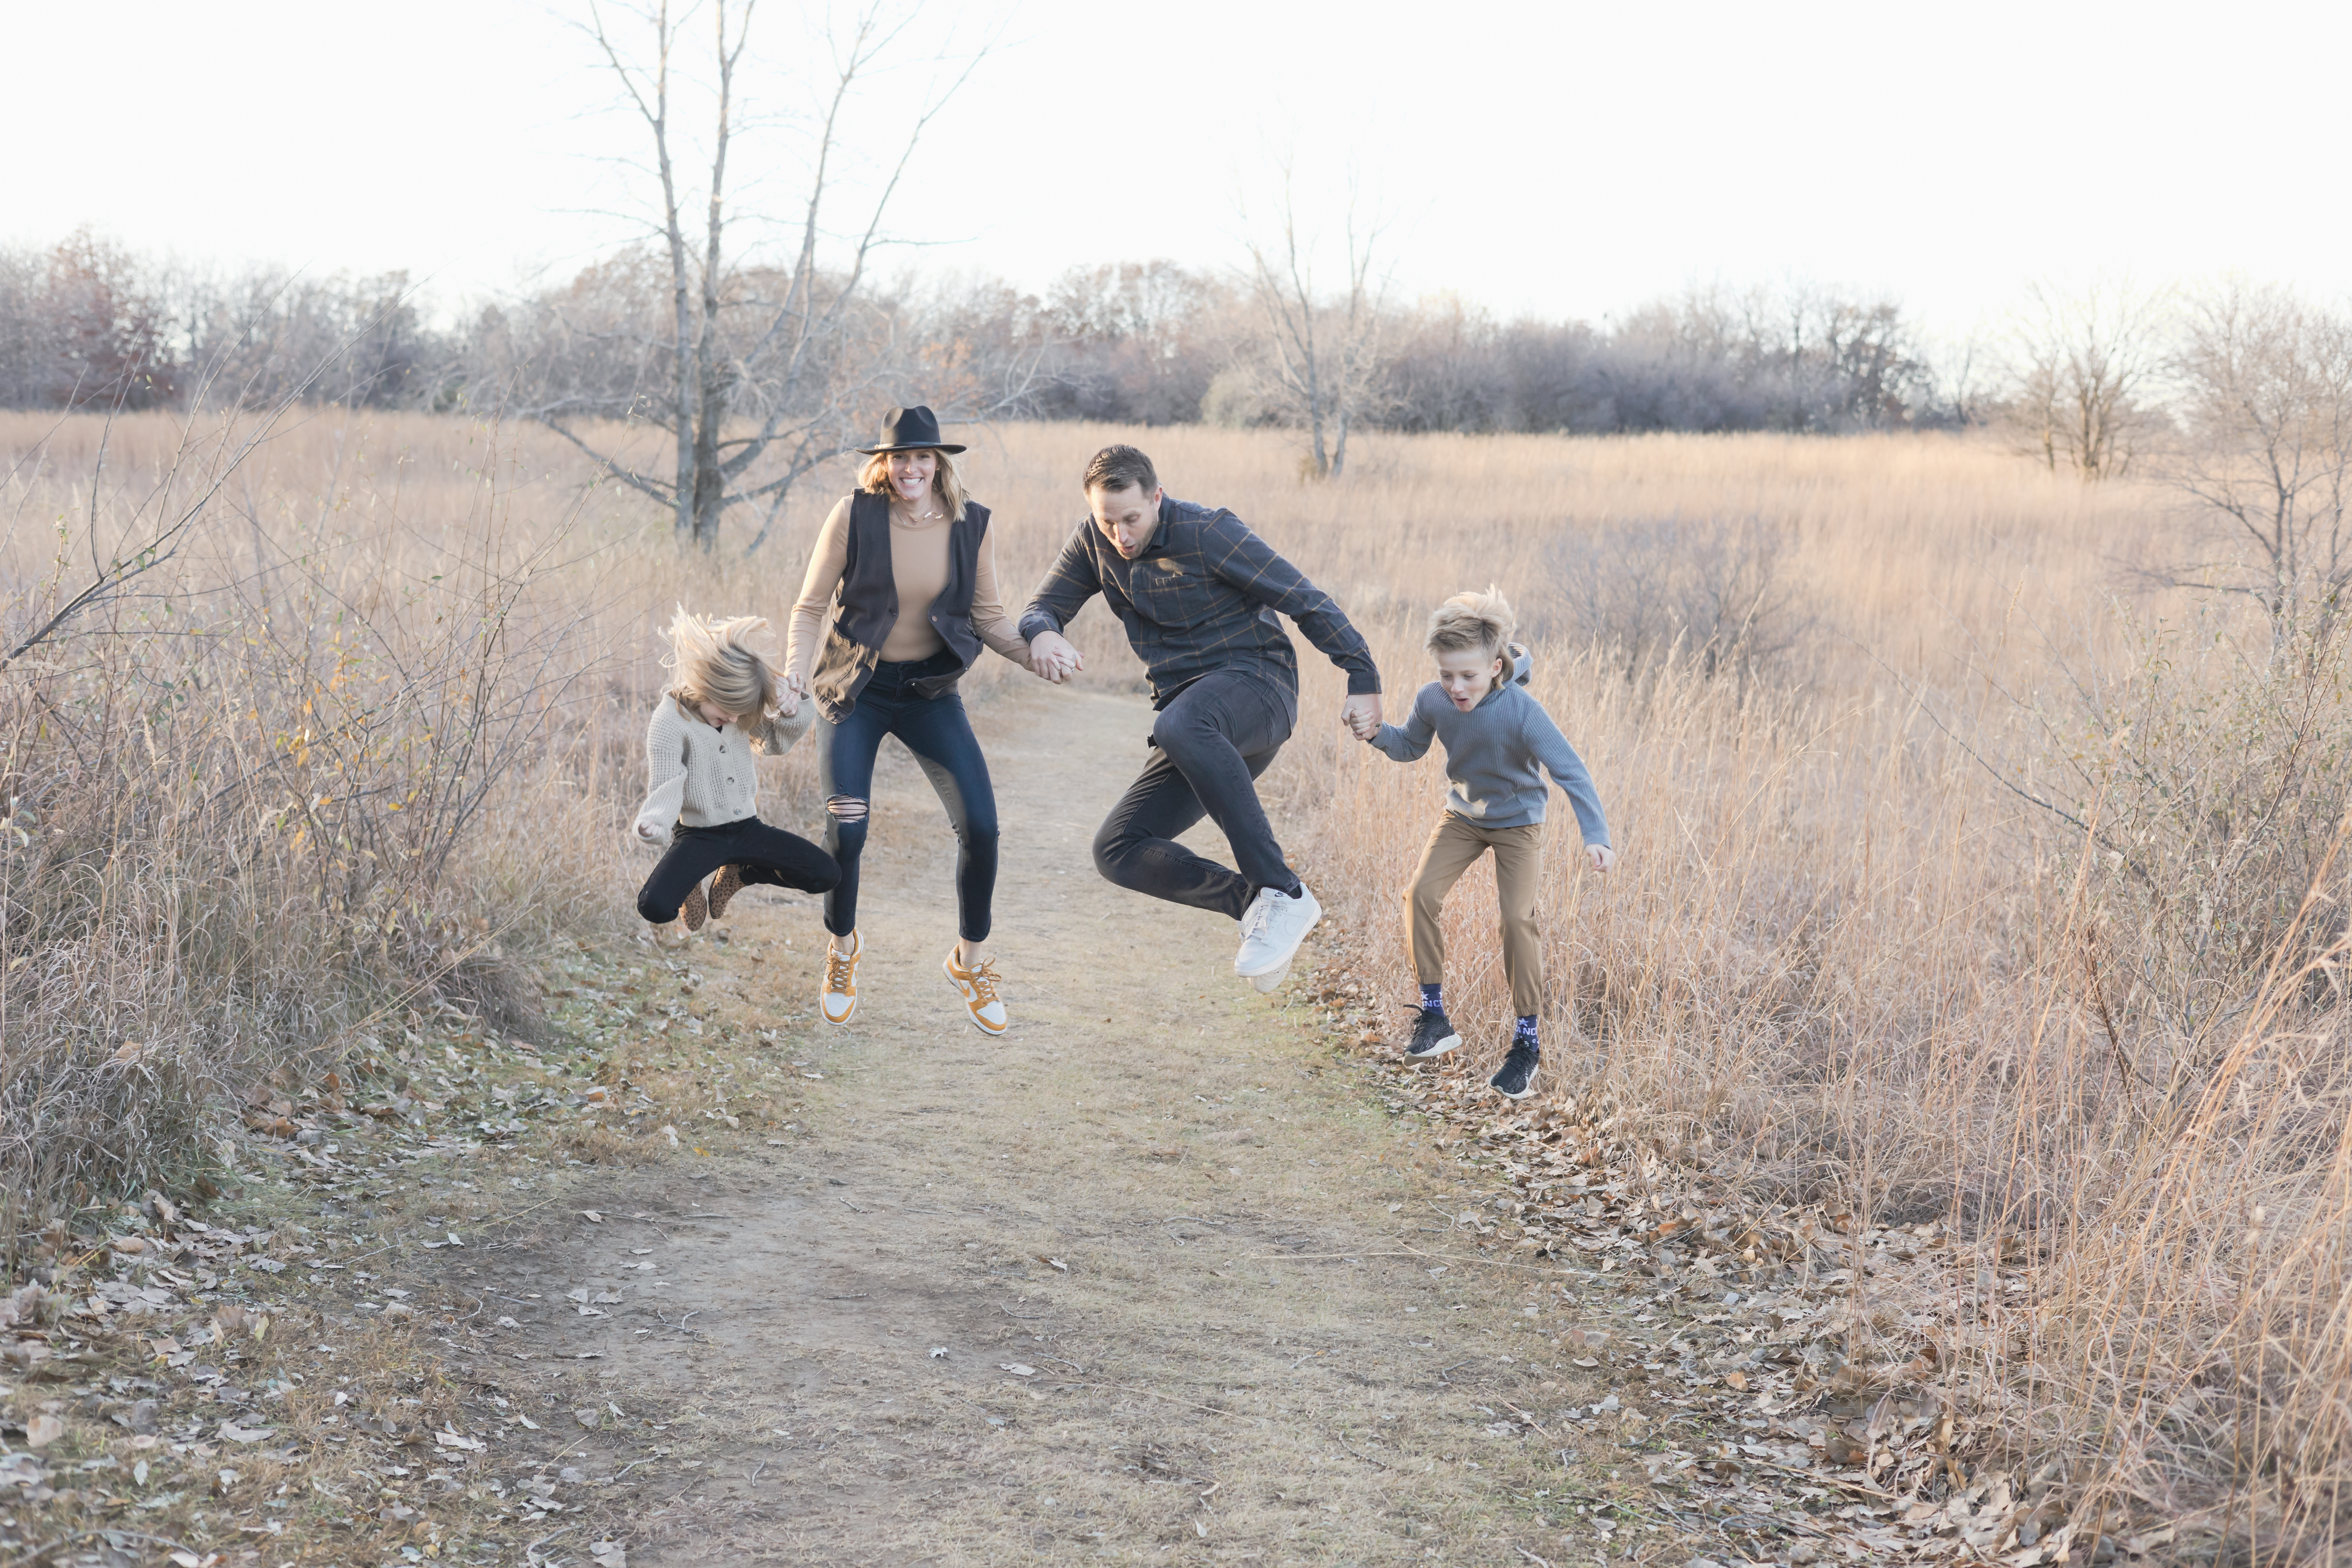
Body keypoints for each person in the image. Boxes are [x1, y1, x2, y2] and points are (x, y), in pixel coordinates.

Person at [1020, 443, 1382, 992]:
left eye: (1131, 519)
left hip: (1260, 687)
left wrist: (1363, 677)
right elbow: (1040, 607)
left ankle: (1282, 889)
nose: (1120, 535)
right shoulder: (1093, 540)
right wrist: (1044, 632)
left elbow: (1304, 599)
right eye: (1107, 521)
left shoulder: (1208, 531)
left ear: (1157, 498)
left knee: (1180, 724)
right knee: (1117, 849)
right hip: (1193, 723)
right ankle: (1259, 907)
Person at [783, 405, 1030, 1035]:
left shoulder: (972, 524)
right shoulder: (854, 516)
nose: (911, 468)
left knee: (982, 826)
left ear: (938, 462)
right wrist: (792, 674)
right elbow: (809, 608)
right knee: (848, 829)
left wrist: (1038, 655)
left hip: (928, 693)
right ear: (884, 463)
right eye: (899, 458)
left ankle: (969, 963)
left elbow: (990, 618)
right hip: (854, 691)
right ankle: (843, 949)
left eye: (922, 457)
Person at [1362, 588, 1614, 1100]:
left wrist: (1597, 836)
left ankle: (1527, 1043)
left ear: (1496, 667)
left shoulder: (1522, 711)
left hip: (1519, 823)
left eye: (1468, 676)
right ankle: (1434, 1017)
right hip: (1463, 816)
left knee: (1517, 920)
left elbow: (1571, 772)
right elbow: (1409, 745)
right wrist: (1374, 733)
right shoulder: (1433, 700)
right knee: (1419, 896)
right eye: (1446, 675)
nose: (1456, 687)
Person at [633, 608, 839, 936]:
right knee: (654, 906)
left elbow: (773, 743)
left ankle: (741, 872)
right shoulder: (669, 722)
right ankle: (690, 882)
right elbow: (667, 784)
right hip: (698, 835)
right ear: (707, 688)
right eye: (728, 712)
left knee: (826, 875)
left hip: (747, 828)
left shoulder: (736, 709)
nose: (734, 720)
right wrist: (654, 823)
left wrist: (793, 708)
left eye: (739, 714)